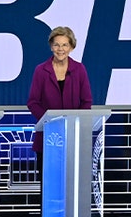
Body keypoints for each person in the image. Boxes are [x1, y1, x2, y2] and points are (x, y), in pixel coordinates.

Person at [26, 26, 93, 163]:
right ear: (51, 46)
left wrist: (75, 122)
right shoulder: (41, 70)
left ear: (71, 47)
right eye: (56, 45)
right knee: (47, 180)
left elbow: (86, 101)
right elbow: (33, 102)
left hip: (72, 134)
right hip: (47, 134)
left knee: (71, 179)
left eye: (65, 45)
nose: (60, 49)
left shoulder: (79, 69)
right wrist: (50, 121)